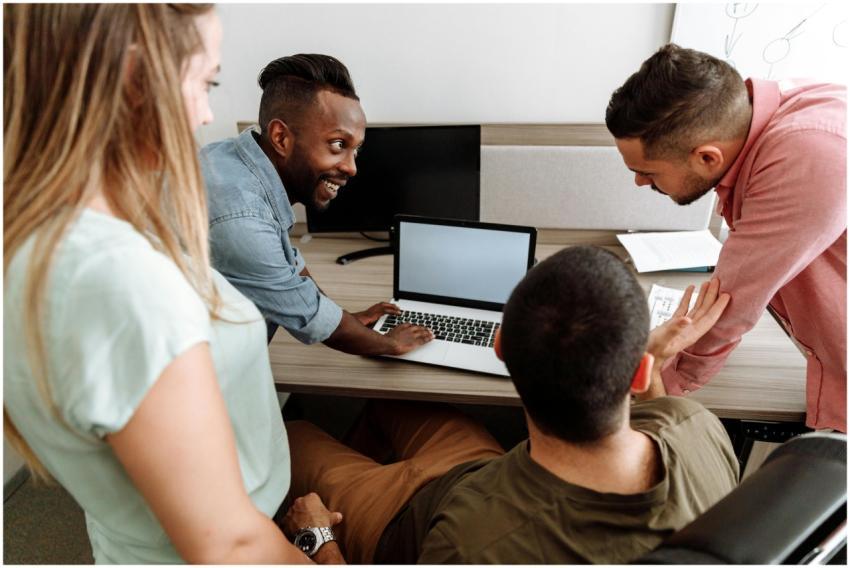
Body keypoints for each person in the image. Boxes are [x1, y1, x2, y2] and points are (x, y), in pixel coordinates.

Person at [4, 5, 343, 563]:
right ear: (139, 78)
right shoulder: (118, 282)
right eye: (204, 82)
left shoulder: (57, 235)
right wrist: (319, 545)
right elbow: (228, 546)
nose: (207, 113)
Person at [284, 246, 739, 564]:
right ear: (639, 375)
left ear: (499, 348)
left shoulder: (472, 547)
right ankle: (365, 472)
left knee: (295, 434)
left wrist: (317, 537)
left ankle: (355, 499)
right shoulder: (696, 426)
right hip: (485, 475)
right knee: (392, 404)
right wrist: (651, 360)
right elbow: (659, 417)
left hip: (406, 525)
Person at [605, 43, 846, 432]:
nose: (639, 181)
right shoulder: (759, 113)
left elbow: (727, 307)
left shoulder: (809, 156)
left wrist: (650, 394)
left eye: (648, 172)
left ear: (706, 158)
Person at [199, 54, 432, 355]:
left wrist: (345, 317)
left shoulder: (232, 158)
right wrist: (391, 343)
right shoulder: (242, 218)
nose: (351, 168)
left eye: (356, 150)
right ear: (281, 137)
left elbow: (290, 269)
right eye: (338, 145)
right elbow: (312, 320)